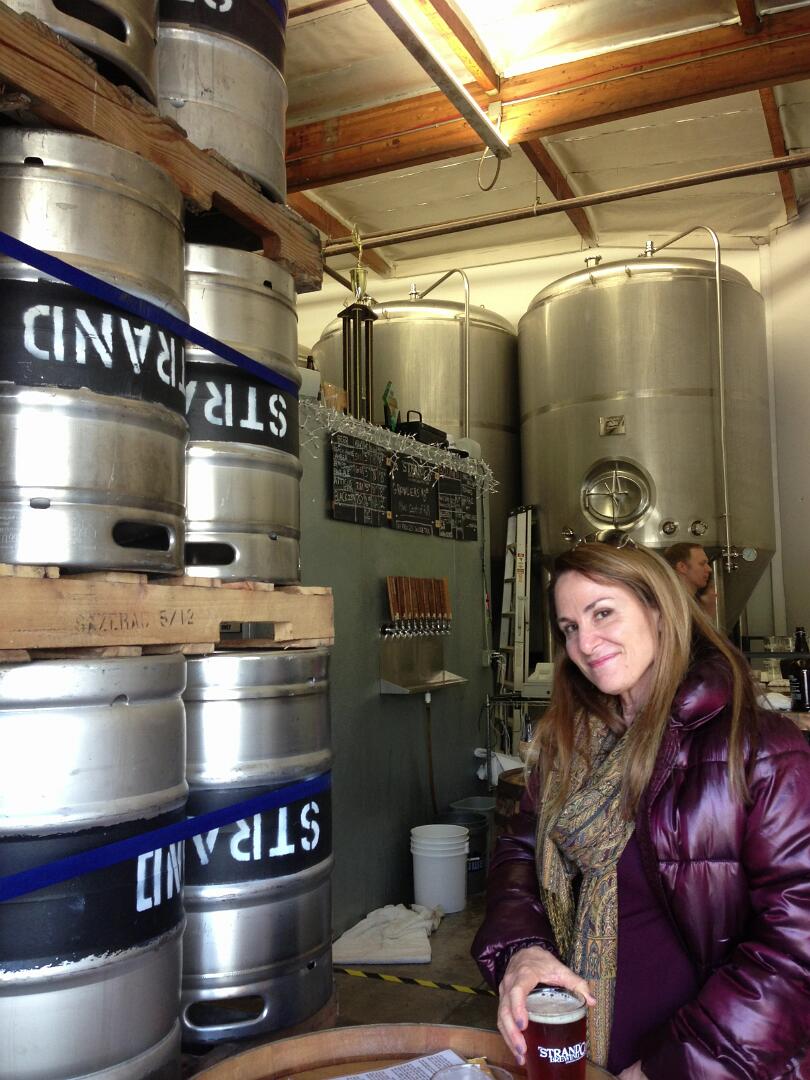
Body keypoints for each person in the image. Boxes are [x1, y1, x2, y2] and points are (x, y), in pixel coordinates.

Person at [472, 541, 810, 1079]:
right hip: (581, 1052)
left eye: (602, 613)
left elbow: (795, 946)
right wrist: (522, 949)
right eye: (569, 627)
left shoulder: (757, 748)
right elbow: (518, 852)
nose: (585, 643)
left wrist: (667, 1068)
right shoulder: (570, 742)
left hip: (707, 1064)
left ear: (659, 609)